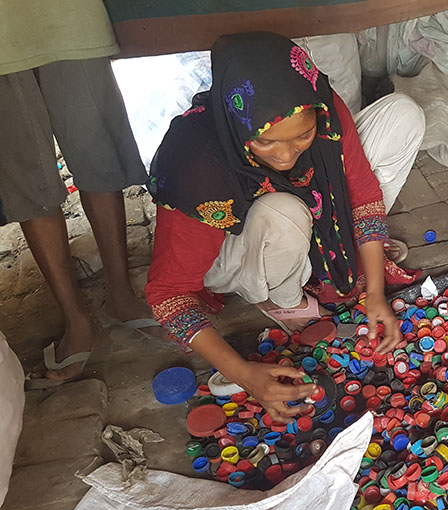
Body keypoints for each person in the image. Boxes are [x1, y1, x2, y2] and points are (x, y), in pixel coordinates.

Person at [145, 32, 425, 422]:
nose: (285, 156)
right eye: (266, 143)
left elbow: (362, 195)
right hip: (239, 248)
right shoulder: (195, 165)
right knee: (283, 210)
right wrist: (243, 373)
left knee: (402, 114)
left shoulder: (320, 104)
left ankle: (339, 259)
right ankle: (281, 296)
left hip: (310, 212)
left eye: (303, 137)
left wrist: (374, 293)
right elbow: (168, 296)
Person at [0, 0, 164, 386]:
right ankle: (75, 317)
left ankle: (120, 293)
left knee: (98, 155)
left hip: (68, 18)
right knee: (28, 181)